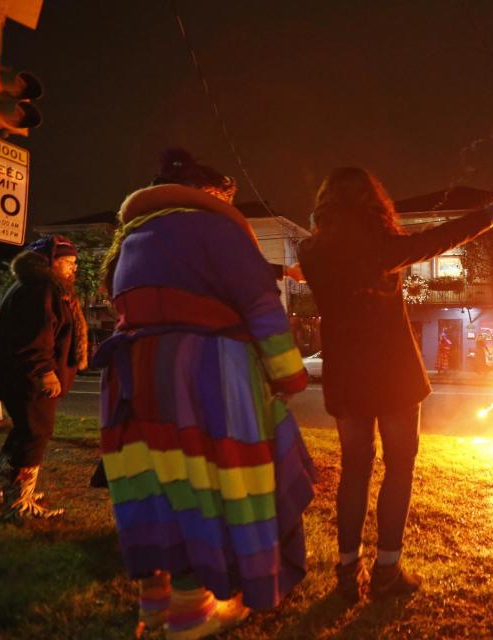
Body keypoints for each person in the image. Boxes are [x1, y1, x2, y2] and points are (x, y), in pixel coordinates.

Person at [95, 149, 314, 639]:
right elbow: (260, 303)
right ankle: (192, 611)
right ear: (211, 195)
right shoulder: (216, 230)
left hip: (132, 377)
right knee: (205, 488)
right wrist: (287, 374)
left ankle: (154, 605)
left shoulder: (130, 240)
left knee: (156, 488)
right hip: (204, 378)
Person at [297, 167, 493, 601]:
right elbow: (440, 239)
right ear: (371, 202)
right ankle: (386, 571)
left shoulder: (312, 251)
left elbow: (314, 260)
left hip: (346, 376)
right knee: (399, 467)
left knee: (355, 470)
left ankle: (347, 575)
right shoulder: (381, 247)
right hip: (393, 372)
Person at [0, 234, 87, 521]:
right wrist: (45, 372)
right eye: (68, 262)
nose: (73, 269)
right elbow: (34, 336)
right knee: (35, 434)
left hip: (20, 377)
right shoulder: (40, 288)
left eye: (74, 263)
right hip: (28, 380)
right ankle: (19, 501)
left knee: (24, 432)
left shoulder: (43, 287)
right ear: (50, 262)